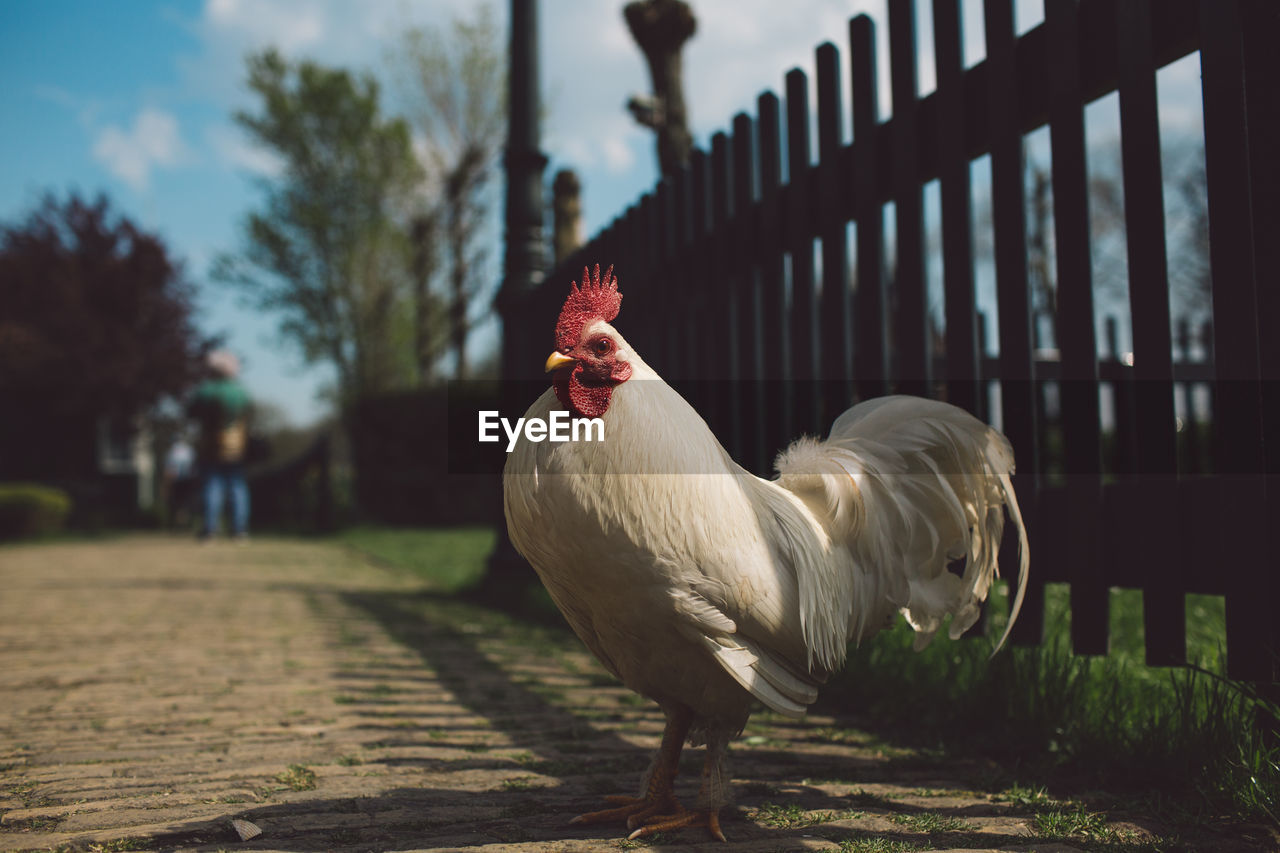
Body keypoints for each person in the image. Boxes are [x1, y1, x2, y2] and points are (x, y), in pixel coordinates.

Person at [188, 350, 252, 541]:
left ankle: (210, 529)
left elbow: (191, 412)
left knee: (211, 485)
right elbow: (250, 412)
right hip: (237, 445)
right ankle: (239, 529)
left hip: (210, 444)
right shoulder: (240, 391)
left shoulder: (206, 390)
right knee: (237, 486)